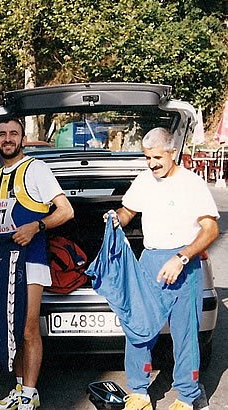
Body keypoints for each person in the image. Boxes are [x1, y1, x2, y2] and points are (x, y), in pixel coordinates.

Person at [104, 127, 219, 410]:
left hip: (183, 262)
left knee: (185, 333)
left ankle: (186, 395)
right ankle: (139, 392)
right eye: (147, 158)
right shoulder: (144, 181)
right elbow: (129, 211)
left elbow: (210, 228)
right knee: (138, 327)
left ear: (172, 152)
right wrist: (117, 217)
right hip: (151, 260)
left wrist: (182, 257)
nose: (152, 163)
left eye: (157, 157)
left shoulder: (191, 184)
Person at [0, 118, 74, 410]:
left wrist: (36, 227)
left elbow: (66, 211)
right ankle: (19, 388)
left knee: (28, 329)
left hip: (31, 260)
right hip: (3, 263)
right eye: (2, 134)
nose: (7, 138)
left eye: (13, 133)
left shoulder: (36, 169)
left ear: (23, 139)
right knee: (10, 327)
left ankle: (30, 392)